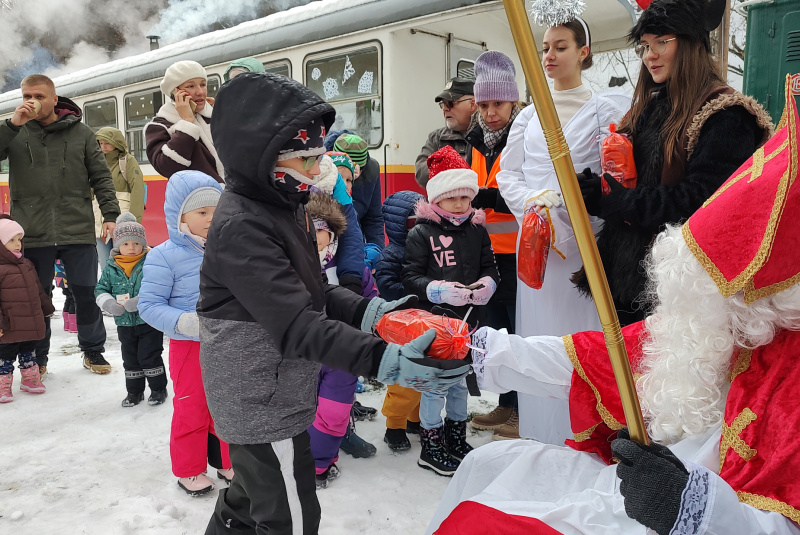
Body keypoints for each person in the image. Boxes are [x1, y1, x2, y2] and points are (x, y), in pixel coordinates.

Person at [428, 79, 800, 534]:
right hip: (632, 493)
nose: (706, 283)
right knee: (489, 463)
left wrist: (690, 510)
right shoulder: (718, 321)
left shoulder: (783, 363)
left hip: (698, 518)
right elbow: (591, 359)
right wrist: (474, 346)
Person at [199, 72, 470, 533]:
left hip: (273, 388)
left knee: (246, 504)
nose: (315, 169)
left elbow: (309, 290)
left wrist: (372, 312)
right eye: (305, 158)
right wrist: (385, 360)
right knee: (290, 516)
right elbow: (296, 325)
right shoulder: (242, 227)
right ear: (262, 157)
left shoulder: (283, 206)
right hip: (260, 400)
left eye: (318, 156)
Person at [573, 0, 772, 326]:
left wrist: (619, 201)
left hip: (678, 288)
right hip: (628, 277)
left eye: (661, 43)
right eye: (645, 46)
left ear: (692, 43)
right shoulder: (652, 106)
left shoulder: (726, 116)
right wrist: (600, 190)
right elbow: (639, 182)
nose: (649, 55)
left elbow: (701, 201)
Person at [492, 19, 626, 444]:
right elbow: (507, 174)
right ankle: (539, 434)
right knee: (537, 332)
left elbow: (615, 176)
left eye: (560, 47)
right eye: (545, 47)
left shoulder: (609, 111)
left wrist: (574, 208)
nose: (548, 55)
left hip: (584, 240)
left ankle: (585, 434)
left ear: (583, 51)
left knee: (582, 334)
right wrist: (534, 204)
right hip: (536, 246)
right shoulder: (528, 117)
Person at [0, 74, 119, 376]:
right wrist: (12, 125)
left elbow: (101, 176)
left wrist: (110, 215)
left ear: (55, 99)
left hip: (76, 228)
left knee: (86, 294)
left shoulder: (82, 133)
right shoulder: (15, 132)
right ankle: (37, 358)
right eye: (27, 95)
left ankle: (93, 352)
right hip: (31, 231)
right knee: (34, 299)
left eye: (39, 96)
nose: (32, 101)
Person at [402, 146, 499, 476]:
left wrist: (488, 285)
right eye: (451, 198)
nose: (459, 205)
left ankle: (455, 438)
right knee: (436, 385)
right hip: (436, 325)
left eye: (465, 198)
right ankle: (430, 446)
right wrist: (437, 290)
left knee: (460, 383)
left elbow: (491, 268)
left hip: (468, 325)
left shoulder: (477, 231)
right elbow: (410, 276)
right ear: (436, 199)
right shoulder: (422, 232)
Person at [138, 171, 231, 496]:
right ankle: (189, 469)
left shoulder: (230, 249)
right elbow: (149, 305)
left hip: (228, 343)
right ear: (180, 216)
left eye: (216, 211)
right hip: (188, 346)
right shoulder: (163, 256)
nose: (211, 219)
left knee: (226, 405)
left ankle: (225, 460)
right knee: (192, 407)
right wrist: (185, 323)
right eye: (201, 212)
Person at [465, 51, 523, 440]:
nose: (489, 112)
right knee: (496, 330)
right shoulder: (473, 141)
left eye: (497, 104)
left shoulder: (524, 136)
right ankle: (505, 403)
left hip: (520, 253)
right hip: (486, 254)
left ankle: (522, 410)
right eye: (483, 104)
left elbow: (525, 193)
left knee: (520, 332)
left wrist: (484, 199)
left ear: (514, 102)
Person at [95, 212, 167, 408]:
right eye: (126, 244)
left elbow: (158, 286)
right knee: (130, 358)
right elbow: (101, 289)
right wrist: (108, 303)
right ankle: (134, 392)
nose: (132, 248)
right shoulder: (111, 267)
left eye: (136, 243)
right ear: (118, 246)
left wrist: (141, 301)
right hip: (124, 323)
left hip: (148, 321)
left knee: (149, 355)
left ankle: (158, 389)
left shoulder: (150, 263)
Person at [375, 189, 425, 451]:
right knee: (404, 378)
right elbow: (385, 285)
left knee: (423, 371)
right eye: (415, 222)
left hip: (423, 321)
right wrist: (414, 292)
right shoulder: (393, 255)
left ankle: (414, 419)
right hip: (402, 325)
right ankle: (394, 425)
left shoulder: (425, 248)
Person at [0, 216, 54, 402]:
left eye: (19, 239)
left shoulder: (26, 264)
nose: (17, 244)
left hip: (29, 322)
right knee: (5, 356)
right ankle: (3, 387)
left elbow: (38, 290)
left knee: (29, 352)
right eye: (11, 240)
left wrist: (46, 307)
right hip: (9, 324)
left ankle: (30, 380)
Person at [144, 60, 225, 182]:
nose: (200, 92)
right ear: (175, 93)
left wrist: (223, 112)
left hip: (232, 197)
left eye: (203, 84)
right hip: (200, 198)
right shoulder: (160, 126)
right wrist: (187, 123)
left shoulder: (215, 116)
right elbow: (166, 167)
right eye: (191, 86)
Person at [94, 127, 145, 268]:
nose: (103, 147)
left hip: (122, 221)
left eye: (107, 143)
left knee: (126, 264)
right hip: (99, 224)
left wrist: (134, 222)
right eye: (100, 143)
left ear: (117, 143)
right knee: (106, 266)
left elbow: (138, 190)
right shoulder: (95, 162)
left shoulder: (127, 161)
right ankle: (109, 290)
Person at [415, 77, 477, 187]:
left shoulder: (489, 136)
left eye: (450, 103)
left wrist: (441, 165)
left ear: (472, 105)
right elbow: (421, 173)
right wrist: (452, 163)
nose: (445, 109)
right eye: (443, 104)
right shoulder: (436, 138)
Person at [331, 132, 385, 249]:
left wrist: (377, 251)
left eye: (360, 168)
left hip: (354, 239)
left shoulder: (371, 169)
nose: (356, 173)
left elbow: (373, 218)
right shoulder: (321, 167)